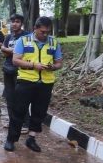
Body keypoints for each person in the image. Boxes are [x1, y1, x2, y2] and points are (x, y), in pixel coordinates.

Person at [4, 16, 63, 152]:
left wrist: (52, 67)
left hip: (46, 83)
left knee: (39, 112)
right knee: (18, 111)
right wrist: (33, 65)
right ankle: (11, 139)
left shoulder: (54, 43)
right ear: (35, 28)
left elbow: (59, 63)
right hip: (26, 81)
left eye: (48, 31)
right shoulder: (23, 41)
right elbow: (15, 60)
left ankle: (31, 138)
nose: (45, 34)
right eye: (42, 31)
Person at [0, 13, 29, 132]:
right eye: (13, 22)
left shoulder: (27, 36)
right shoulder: (8, 37)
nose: (14, 24)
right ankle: (13, 121)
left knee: (21, 98)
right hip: (8, 69)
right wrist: (12, 51)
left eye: (17, 22)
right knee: (9, 96)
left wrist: (10, 51)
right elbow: (3, 50)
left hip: (21, 71)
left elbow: (25, 53)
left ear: (21, 23)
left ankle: (25, 124)